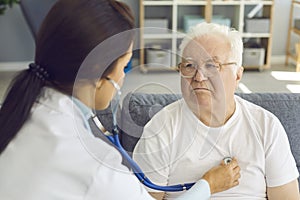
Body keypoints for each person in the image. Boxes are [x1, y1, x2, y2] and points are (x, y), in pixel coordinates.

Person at [0, 1, 241, 199]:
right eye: (125, 66)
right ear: (97, 73)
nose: (123, 78)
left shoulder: (19, 112)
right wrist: (208, 185)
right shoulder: (97, 166)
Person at [133, 22, 300, 200]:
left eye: (212, 66)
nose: (198, 77)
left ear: (237, 75)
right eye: (189, 66)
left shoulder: (266, 126)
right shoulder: (161, 129)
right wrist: (206, 186)